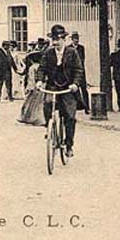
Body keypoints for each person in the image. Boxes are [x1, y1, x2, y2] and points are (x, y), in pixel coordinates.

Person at [37, 25, 84, 157]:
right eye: (53, 39)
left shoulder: (72, 52)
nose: (55, 42)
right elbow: (41, 68)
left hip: (68, 88)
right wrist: (39, 80)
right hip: (52, 86)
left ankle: (69, 145)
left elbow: (78, 70)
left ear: (64, 39)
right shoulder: (48, 53)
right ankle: (49, 127)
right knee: (47, 104)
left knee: (70, 116)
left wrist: (75, 84)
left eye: (58, 39)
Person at [18, 47, 46, 126]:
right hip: (42, 87)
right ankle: (41, 119)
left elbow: (31, 79)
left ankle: (31, 118)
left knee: (30, 104)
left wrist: (28, 88)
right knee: (40, 104)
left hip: (34, 88)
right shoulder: (40, 67)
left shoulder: (32, 68)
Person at [70, 32, 90, 115]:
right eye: (75, 39)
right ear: (72, 39)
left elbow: (82, 59)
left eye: (77, 39)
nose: (76, 40)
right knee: (73, 90)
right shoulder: (68, 48)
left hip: (81, 72)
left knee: (84, 90)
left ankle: (87, 107)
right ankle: (75, 107)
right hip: (71, 73)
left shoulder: (81, 48)